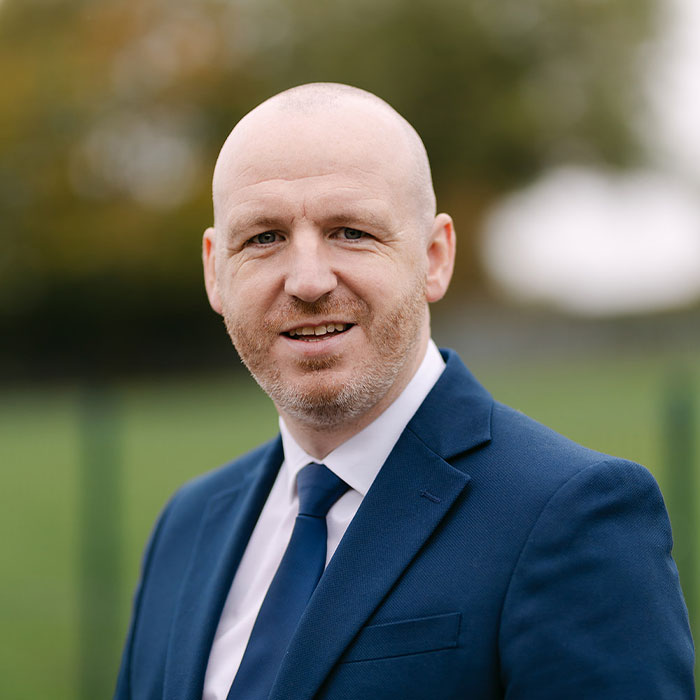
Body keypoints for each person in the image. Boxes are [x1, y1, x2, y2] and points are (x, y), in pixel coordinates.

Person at [115, 83, 694, 700]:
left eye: (350, 231)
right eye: (264, 238)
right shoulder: (187, 525)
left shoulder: (574, 516)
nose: (307, 281)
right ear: (215, 271)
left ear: (435, 257)